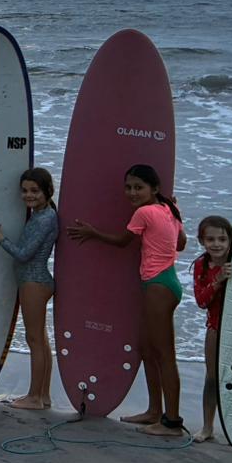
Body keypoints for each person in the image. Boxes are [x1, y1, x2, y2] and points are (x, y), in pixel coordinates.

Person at [68, 163, 189, 436]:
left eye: (138, 187)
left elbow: (123, 242)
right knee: (147, 349)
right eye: (128, 187)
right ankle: (154, 411)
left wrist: (92, 233)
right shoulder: (169, 209)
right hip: (165, 283)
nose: (132, 192)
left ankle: (172, 423)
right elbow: (181, 243)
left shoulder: (144, 212)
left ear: (154, 189)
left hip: (159, 285)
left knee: (165, 355)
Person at [0, 167, 58, 410]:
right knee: (40, 339)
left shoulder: (45, 218)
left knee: (34, 339)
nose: (28, 195)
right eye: (24, 191)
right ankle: (42, 396)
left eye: (34, 190)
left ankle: (34, 397)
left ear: (47, 191)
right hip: (33, 280)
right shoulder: (41, 214)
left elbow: (24, 255)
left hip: (34, 281)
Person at [191, 215, 232, 442]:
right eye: (210, 239)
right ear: (202, 241)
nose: (216, 244)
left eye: (222, 239)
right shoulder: (201, 265)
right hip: (216, 327)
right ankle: (207, 427)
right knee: (212, 378)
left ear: (230, 240)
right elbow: (201, 301)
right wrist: (218, 280)